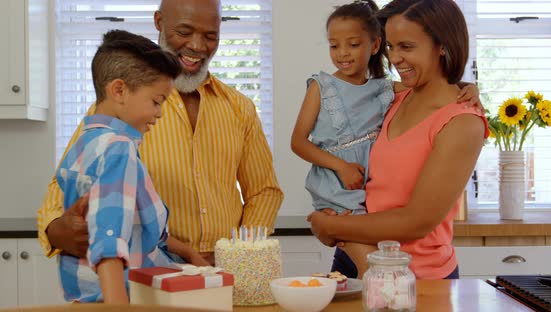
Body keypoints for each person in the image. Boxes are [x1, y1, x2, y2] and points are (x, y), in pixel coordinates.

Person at [38, 0, 283, 268]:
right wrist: (56, 229)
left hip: (223, 267)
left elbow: (263, 191)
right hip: (146, 271)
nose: (198, 46)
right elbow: (63, 186)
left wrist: (241, 251)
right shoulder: (122, 106)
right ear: (159, 22)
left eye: (210, 36)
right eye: (184, 32)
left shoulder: (240, 108)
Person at [292, 0, 481, 278]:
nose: (394, 58)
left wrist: (330, 226)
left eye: (406, 46)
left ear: (443, 45)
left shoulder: (463, 122)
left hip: (416, 274)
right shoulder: (394, 99)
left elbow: (416, 222)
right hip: (352, 254)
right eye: (392, 47)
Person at [56, 29, 202, 303]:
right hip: (120, 295)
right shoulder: (118, 149)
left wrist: (187, 252)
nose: (159, 113)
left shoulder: (81, 145)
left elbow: (132, 224)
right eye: (156, 102)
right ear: (119, 90)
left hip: (83, 295)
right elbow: (108, 238)